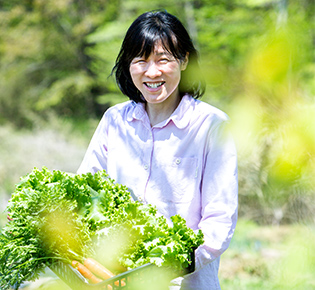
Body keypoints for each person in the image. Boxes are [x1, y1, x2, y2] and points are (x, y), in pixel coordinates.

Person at [77, 10, 238, 290]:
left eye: (163, 60)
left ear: (185, 60)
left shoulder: (211, 126)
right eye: (141, 60)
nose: (152, 72)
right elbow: (85, 189)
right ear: (128, 65)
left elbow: (219, 220)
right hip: (115, 280)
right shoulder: (115, 121)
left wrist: (166, 268)